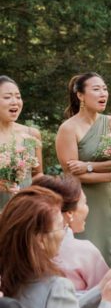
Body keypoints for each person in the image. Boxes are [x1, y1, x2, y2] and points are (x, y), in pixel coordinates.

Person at [55, 73, 111, 265]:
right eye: (96, 89)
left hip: (108, 199)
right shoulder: (68, 129)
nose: (103, 93)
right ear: (80, 95)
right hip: (81, 200)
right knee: (85, 251)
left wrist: (88, 166)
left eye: (105, 89)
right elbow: (73, 175)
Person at [32, 174, 109, 292]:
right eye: (84, 203)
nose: (87, 208)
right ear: (70, 213)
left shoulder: (19, 246)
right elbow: (107, 294)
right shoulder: (84, 252)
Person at [0, 76, 43, 210]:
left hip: (25, 212)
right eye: (7, 97)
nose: (15, 102)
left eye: (18, 97)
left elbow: (38, 174)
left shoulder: (32, 134)